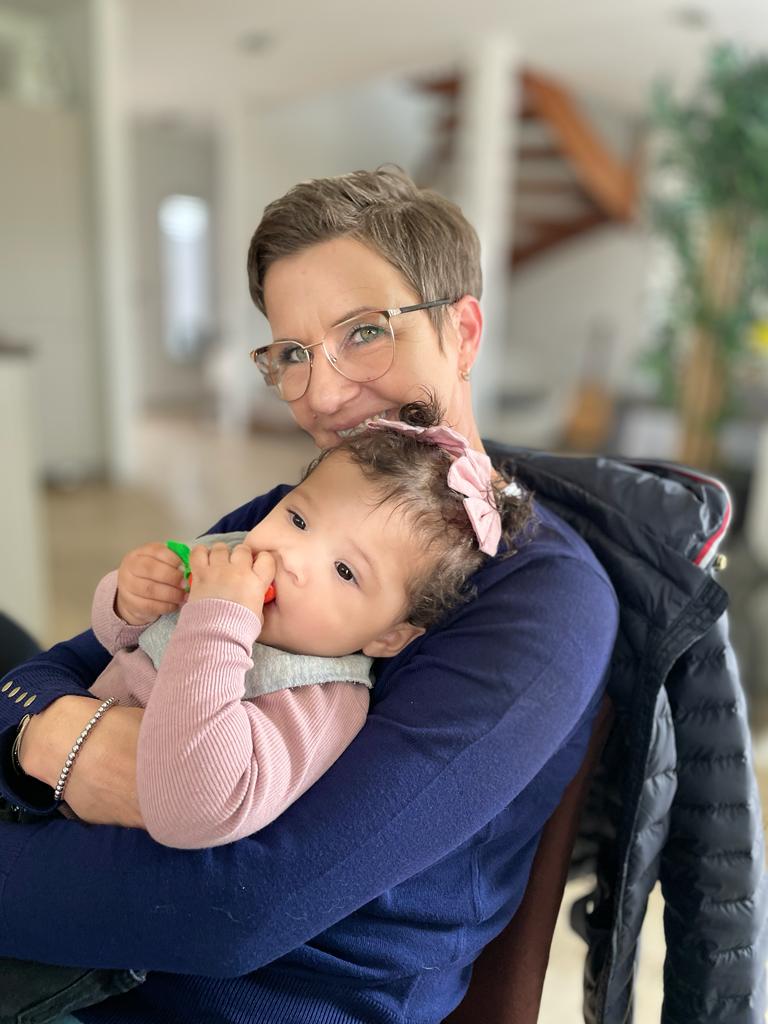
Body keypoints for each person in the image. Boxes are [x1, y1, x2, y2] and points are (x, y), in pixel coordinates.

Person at [0, 168, 619, 1024]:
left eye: (364, 332)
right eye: (291, 353)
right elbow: (58, 667)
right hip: (109, 933)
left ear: (464, 331)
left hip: (226, 999)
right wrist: (44, 741)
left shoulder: (544, 604)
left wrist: (45, 747)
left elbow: (235, 911)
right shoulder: (292, 512)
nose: (323, 395)